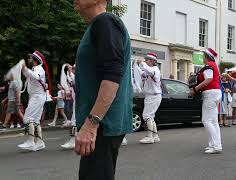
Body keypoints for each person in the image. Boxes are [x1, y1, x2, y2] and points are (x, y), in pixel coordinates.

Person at [74, 0, 132, 180]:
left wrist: (91, 124)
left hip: (102, 125)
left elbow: (113, 74)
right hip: (103, 124)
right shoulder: (99, 25)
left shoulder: (104, 21)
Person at [189, 48, 222, 154]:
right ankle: (214, 144)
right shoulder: (214, 65)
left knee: (206, 120)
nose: (202, 57)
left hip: (210, 93)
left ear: (206, 57)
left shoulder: (209, 66)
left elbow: (208, 80)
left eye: (203, 56)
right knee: (214, 121)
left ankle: (216, 145)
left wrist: (195, 89)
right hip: (216, 92)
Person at [18, 51, 48, 152]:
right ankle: (39, 143)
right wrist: (24, 69)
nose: (29, 60)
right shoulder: (35, 69)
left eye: (31, 58)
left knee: (27, 118)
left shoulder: (39, 68)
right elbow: (29, 76)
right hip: (37, 97)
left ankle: (30, 142)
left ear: (35, 60)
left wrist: (25, 69)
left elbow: (37, 77)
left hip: (37, 97)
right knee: (35, 121)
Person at [136, 52, 162, 144]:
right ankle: (155, 136)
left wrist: (142, 64)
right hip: (151, 96)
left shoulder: (155, 69)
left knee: (147, 116)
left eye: (146, 59)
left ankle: (149, 136)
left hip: (153, 96)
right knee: (151, 116)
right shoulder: (149, 70)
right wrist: (137, 65)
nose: (145, 61)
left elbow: (149, 71)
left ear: (151, 61)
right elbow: (142, 74)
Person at [61, 64, 76, 149]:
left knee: (74, 121)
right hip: (77, 102)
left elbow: (73, 80)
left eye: (74, 69)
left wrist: (70, 72)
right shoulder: (76, 77)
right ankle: (73, 140)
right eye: (73, 69)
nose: (73, 70)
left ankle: (73, 141)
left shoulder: (80, 77)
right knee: (74, 121)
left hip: (80, 103)